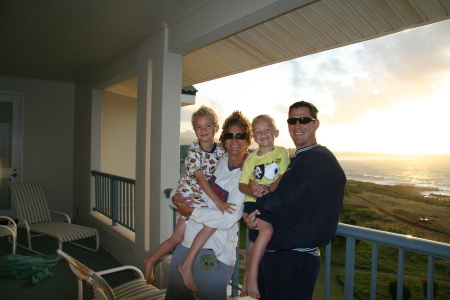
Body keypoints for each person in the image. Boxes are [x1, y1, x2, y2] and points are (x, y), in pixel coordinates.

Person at [244, 101, 346, 300]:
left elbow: (288, 203)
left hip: (293, 259)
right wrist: (253, 216)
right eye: (292, 120)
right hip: (278, 256)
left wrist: (257, 200)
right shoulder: (299, 159)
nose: (297, 125)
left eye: (304, 120)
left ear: (315, 124)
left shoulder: (319, 159)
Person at [165, 111, 252, 300]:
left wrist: (190, 211)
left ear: (248, 140)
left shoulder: (245, 176)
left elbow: (227, 219)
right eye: (230, 135)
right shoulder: (218, 161)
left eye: (240, 135)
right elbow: (193, 187)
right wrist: (175, 198)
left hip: (214, 252)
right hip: (185, 244)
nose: (234, 140)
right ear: (223, 139)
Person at [144, 106, 235, 285]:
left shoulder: (221, 151)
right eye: (199, 127)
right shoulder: (194, 150)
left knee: (188, 233)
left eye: (208, 126)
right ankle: (156, 260)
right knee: (179, 236)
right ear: (194, 130)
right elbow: (200, 179)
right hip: (190, 196)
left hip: (204, 198)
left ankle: (159, 260)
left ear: (216, 128)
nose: (203, 130)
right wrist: (218, 202)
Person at [238, 115, 290, 299]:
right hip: (252, 202)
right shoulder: (250, 159)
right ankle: (252, 276)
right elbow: (242, 185)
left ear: (276, 132)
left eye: (267, 129)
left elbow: (281, 177)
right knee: (266, 231)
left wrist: (268, 188)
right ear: (254, 136)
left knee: (254, 246)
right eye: (258, 131)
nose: (263, 134)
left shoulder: (282, 152)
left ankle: (245, 281)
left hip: (270, 202)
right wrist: (253, 190)